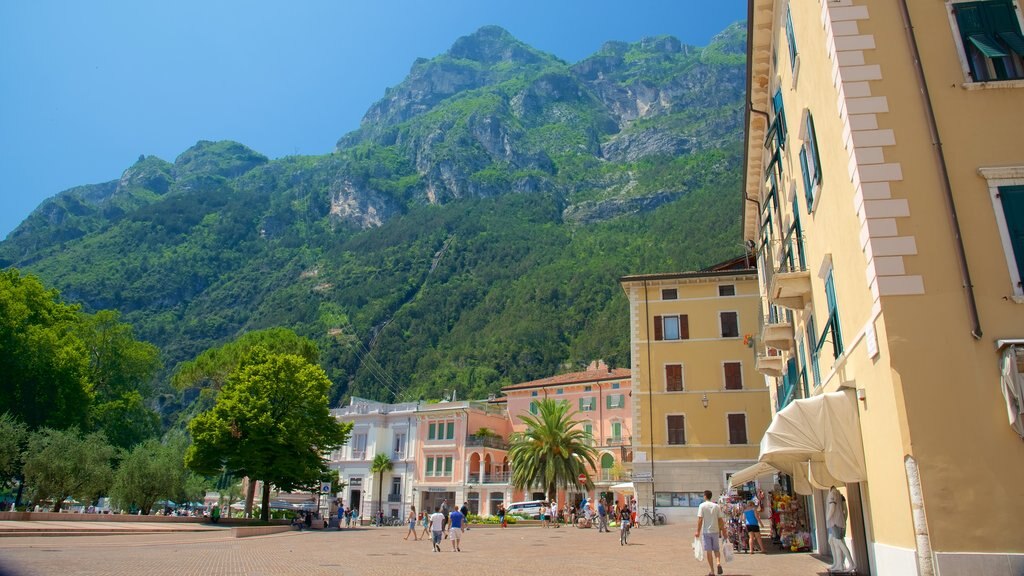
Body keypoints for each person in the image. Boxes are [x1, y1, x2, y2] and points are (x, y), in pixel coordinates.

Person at [695, 490, 726, 576]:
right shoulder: (716, 506)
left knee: (708, 551)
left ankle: (712, 571)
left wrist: (697, 531)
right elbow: (720, 520)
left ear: (705, 496)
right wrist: (723, 531)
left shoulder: (702, 506)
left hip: (706, 532)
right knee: (716, 549)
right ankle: (718, 563)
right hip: (715, 531)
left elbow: (700, 519)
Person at [827, 486, 855, 573]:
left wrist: (827, 519)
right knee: (836, 543)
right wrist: (844, 520)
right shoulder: (840, 495)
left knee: (839, 542)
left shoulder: (833, 494)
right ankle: (839, 564)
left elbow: (832, 508)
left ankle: (851, 563)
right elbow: (845, 511)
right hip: (839, 522)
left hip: (835, 522)